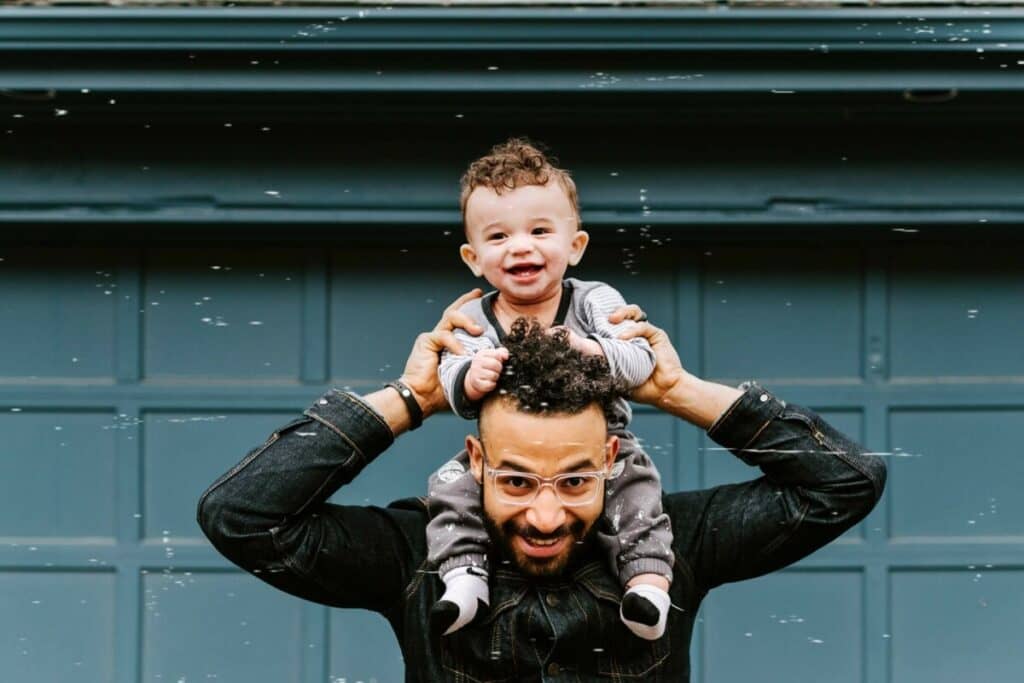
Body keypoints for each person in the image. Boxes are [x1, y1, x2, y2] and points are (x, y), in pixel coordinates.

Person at [197, 290, 887, 682]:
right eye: (519, 480)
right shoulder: (416, 557)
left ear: (612, 456)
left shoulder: (672, 545)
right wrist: (411, 397)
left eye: (576, 479)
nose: (547, 513)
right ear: (476, 460)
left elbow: (844, 482)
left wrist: (677, 390)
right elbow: (242, 515)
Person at [429, 138, 672, 640]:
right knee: (450, 487)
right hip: (506, 455)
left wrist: (593, 350)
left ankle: (646, 584)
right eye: (498, 237)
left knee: (638, 489)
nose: (521, 246)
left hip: (601, 445)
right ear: (474, 258)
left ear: (575, 246)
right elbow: (449, 379)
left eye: (540, 231)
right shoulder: (473, 317)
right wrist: (468, 378)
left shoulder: (594, 301)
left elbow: (639, 359)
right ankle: (464, 577)